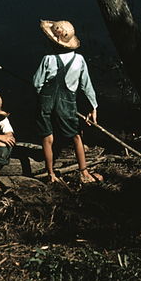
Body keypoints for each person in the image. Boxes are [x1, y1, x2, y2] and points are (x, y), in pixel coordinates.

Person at [33, 19, 103, 184]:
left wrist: (44, 96)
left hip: (46, 101)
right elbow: (86, 86)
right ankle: (84, 172)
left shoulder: (48, 59)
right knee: (76, 137)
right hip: (67, 103)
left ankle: (51, 174)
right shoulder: (79, 60)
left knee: (47, 138)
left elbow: (37, 83)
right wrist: (94, 106)